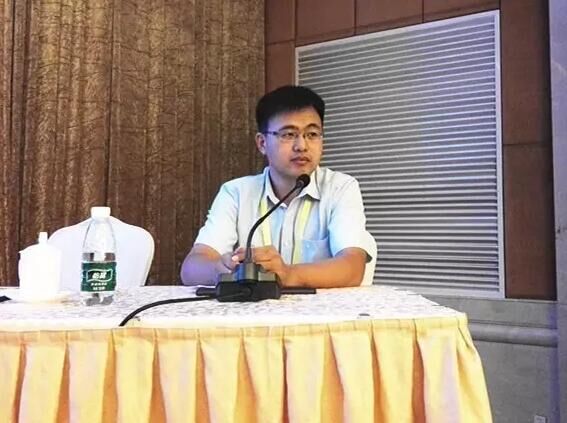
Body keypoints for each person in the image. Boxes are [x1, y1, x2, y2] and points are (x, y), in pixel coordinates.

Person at [180, 85, 374, 288]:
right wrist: (223, 268)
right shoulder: (235, 193)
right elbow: (191, 268)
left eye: (312, 134)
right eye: (288, 134)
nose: (302, 146)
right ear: (262, 143)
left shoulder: (340, 188)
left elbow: (352, 267)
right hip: (252, 308)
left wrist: (287, 274)